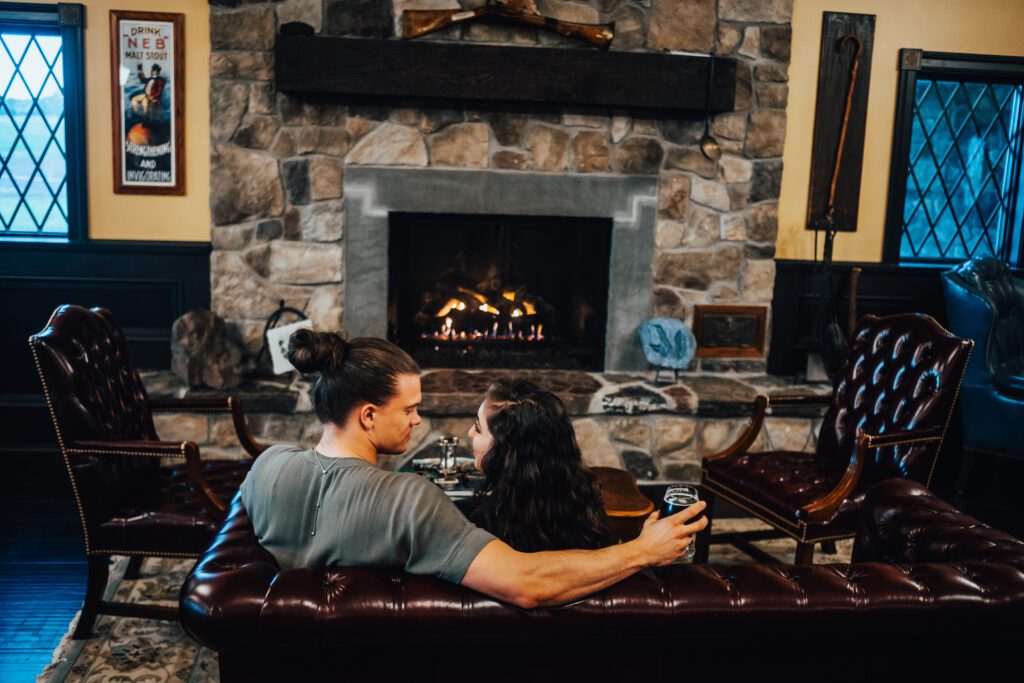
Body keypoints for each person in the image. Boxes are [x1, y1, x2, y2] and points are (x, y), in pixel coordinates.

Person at [240, 329, 706, 609]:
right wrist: (643, 551)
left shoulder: (265, 468)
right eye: (409, 409)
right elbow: (528, 585)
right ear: (367, 415)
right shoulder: (410, 502)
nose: (418, 420)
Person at [466, 378, 613, 552]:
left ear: (507, 448)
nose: (470, 433)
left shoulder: (492, 522)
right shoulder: (585, 506)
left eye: (478, 427)